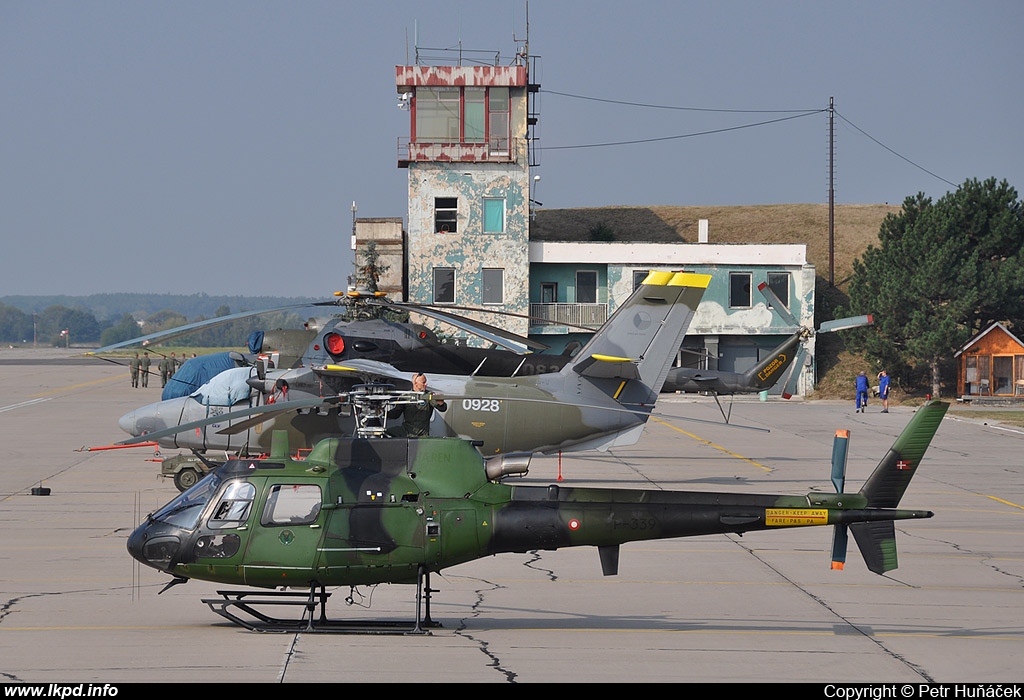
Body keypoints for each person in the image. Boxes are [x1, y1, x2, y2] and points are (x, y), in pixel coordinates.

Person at [387, 372, 447, 437]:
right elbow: (395, 414)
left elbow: (442, 408)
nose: (426, 384)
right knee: (384, 433)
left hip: (422, 435)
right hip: (406, 432)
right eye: (423, 382)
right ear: (415, 383)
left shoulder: (428, 396)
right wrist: (383, 412)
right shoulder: (405, 396)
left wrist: (441, 403)